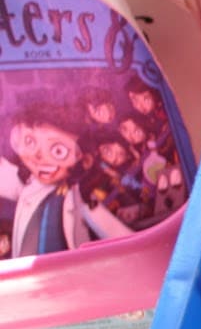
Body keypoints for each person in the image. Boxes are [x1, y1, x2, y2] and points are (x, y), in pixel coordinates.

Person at [0, 100, 131, 257]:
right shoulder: (28, 186)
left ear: (84, 160)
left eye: (58, 150)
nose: (38, 155)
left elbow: (119, 234)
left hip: (68, 276)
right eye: (30, 141)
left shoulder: (79, 197)